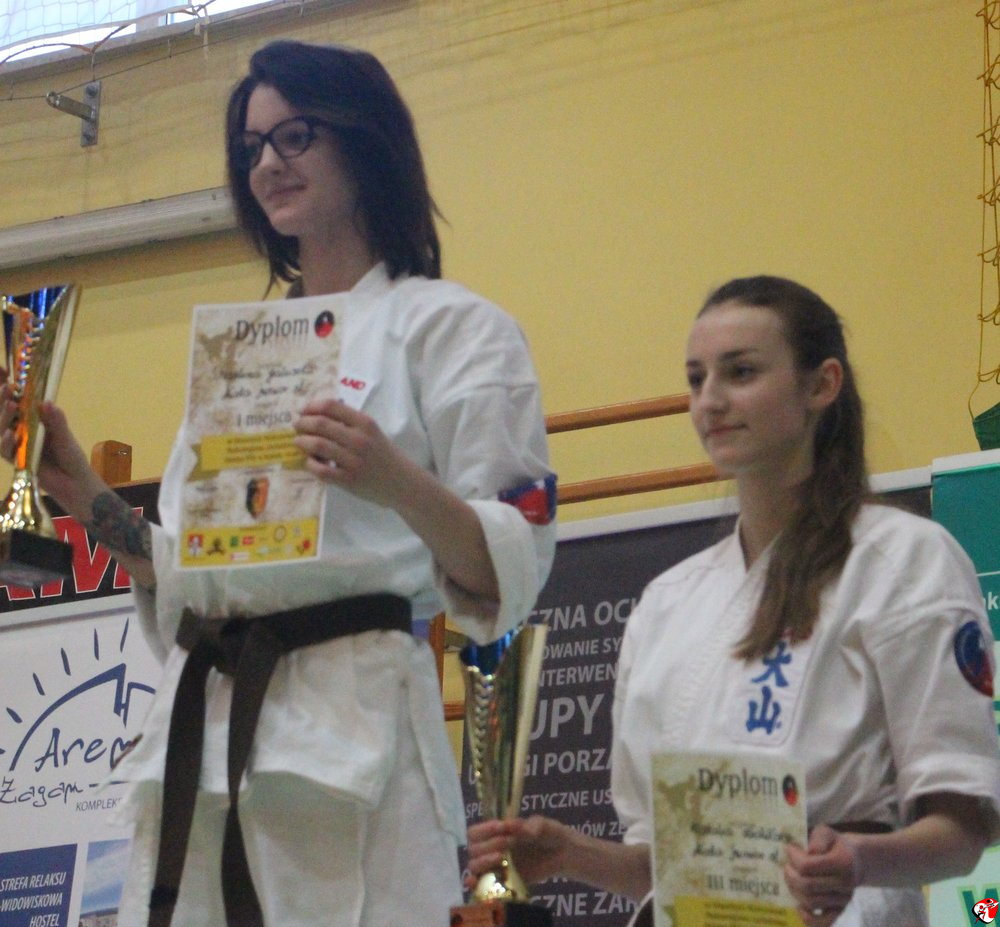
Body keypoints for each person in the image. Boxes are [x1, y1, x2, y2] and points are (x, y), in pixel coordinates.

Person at [1, 40, 556, 927]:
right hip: (204, 725)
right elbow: (193, 575)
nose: (267, 164)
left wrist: (394, 480)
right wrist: (82, 494)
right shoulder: (245, 350)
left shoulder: (453, 329)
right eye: (251, 146)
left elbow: (509, 567)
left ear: (363, 141)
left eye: (294, 135)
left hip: (353, 725)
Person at [466, 275, 1000, 927]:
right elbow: (665, 867)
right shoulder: (667, 603)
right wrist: (572, 854)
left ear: (822, 385)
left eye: (740, 372)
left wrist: (859, 858)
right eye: (697, 380)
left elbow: (963, 828)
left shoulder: (904, 560)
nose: (710, 401)